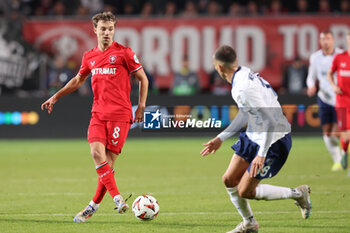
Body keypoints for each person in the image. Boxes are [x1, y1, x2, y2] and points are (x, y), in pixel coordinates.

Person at [41, 12, 149, 222]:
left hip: (120, 116)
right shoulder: (89, 56)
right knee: (96, 153)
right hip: (98, 114)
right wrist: (55, 96)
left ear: (114, 30)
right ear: (95, 30)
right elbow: (77, 81)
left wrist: (141, 106)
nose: (107, 32)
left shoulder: (124, 53)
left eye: (110, 29)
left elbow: (143, 79)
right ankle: (117, 198)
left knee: (108, 163)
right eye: (103, 29)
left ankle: (92, 207)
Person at [200, 45, 311, 233]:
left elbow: (270, 121)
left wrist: (261, 153)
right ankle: (250, 224)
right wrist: (221, 138)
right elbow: (246, 113)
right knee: (229, 179)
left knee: (246, 191)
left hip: (274, 139)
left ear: (219, 67)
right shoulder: (242, 74)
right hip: (254, 134)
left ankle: (298, 193)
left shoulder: (243, 87)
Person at [306, 30, 344, 171]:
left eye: (328, 38)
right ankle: (338, 161)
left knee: (336, 133)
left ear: (333, 40)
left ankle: (343, 153)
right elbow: (311, 76)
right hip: (323, 98)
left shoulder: (341, 55)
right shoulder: (315, 57)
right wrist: (310, 86)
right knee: (327, 133)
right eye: (323, 39)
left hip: (340, 99)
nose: (325, 42)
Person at [328, 32, 350, 176]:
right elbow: (329, 73)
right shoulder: (340, 57)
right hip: (342, 102)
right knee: (346, 134)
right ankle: (344, 153)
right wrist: (334, 86)